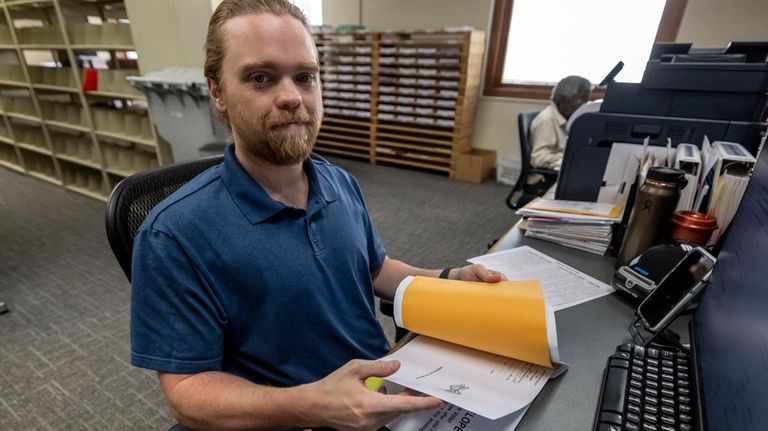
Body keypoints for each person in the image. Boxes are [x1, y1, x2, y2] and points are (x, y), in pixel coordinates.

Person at [129, 1, 503, 430]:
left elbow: (374, 270)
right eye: (261, 78)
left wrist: (452, 278)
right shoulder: (173, 233)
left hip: (390, 389)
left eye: (305, 77)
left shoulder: (339, 183)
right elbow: (187, 396)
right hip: (302, 418)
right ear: (217, 92)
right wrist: (312, 404)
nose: (291, 97)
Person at [527, 75, 591, 193]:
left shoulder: (568, 118)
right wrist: (568, 160)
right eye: (581, 100)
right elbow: (539, 158)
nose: (585, 105)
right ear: (564, 101)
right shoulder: (547, 120)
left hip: (560, 173)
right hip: (544, 180)